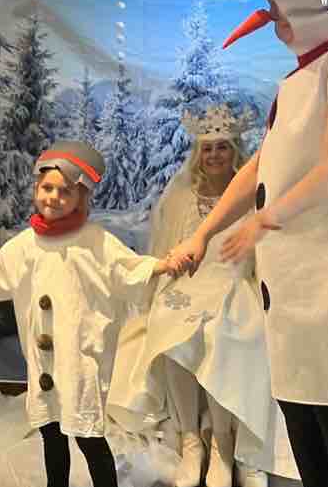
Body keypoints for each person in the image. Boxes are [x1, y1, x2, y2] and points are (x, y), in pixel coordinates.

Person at [172, 0, 328, 486]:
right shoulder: (298, 79)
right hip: (290, 284)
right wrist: (204, 232)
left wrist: (266, 219)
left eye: (279, 6)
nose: (273, 21)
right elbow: (262, 166)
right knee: (300, 414)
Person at [0, 140, 184, 487]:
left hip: (80, 361)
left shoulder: (95, 241)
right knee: (51, 434)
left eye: (64, 191)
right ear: (37, 189)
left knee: (88, 436)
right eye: (47, 188)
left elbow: (130, 268)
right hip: (43, 364)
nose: (53, 197)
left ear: (80, 197)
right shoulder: (27, 244)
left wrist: (165, 265)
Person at [106, 104, 298, 487]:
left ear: (236, 151)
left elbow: (263, 252)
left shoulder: (253, 196)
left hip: (234, 281)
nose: (214, 155)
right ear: (198, 154)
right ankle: (191, 439)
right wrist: (169, 270)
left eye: (222, 147)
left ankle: (224, 443)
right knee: (172, 328)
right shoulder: (181, 196)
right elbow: (169, 248)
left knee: (227, 333)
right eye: (207, 148)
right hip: (188, 282)